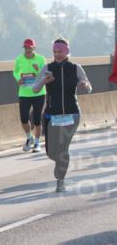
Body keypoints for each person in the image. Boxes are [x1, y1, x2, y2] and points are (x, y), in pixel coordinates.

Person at [32, 38, 93, 192]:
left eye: (60, 51)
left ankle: (60, 179)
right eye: (54, 52)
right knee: (52, 151)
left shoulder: (75, 68)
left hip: (72, 115)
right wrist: (44, 81)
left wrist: (85, 86)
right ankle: (60, 166)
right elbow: (35, 89)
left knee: (63, 148)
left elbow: (89, 86)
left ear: (66, 52)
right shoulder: (47, 68)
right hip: (53, 115)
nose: (57, 55)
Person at [13, 38, 47, 152]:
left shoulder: (41, 59)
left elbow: (45, 74)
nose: (28, 50)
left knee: (37, 119)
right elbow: (15, 71)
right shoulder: (19, 59)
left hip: (38, 92)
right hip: (24, 93)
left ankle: (37, 143)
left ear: (34, 48)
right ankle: (29, 137)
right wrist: (18, 79)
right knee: (24, 119)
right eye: (26, 48)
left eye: (30, 48)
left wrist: (38, 70)